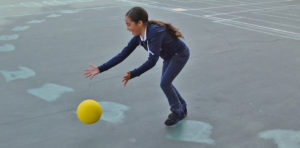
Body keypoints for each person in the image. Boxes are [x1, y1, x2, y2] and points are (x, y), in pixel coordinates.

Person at [84, 6, 190, 126]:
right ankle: (182, 107)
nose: (127, 28)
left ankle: (177, 112)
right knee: (166, 83)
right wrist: (100, 68)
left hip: (179, 54)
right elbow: (123, 54)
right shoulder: (138, 37)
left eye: (129, 24)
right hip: (168, 57)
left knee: (165, 83)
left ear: (139, 23)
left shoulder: (155, 33)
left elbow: (152, 61)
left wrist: (133, 73)